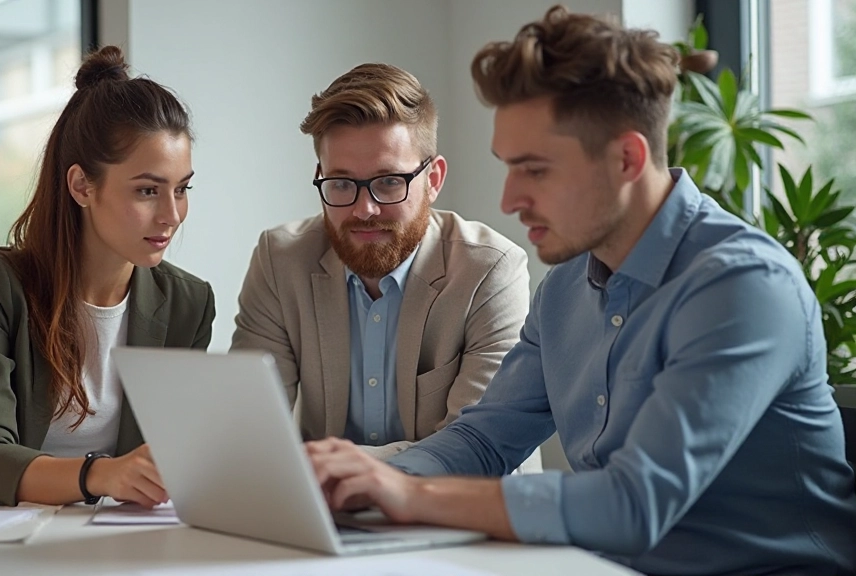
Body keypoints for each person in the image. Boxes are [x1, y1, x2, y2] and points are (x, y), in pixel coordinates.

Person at [306, 6, 856, 574]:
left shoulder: (743, 287)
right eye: (508, 167)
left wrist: (411, 496)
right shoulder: (566, 286)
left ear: (627, 158)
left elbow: (633, 504)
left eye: (536, 169)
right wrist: (367, 481)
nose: (510, 199)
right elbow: (484, 442)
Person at [0, 46, 214, 508]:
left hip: (105, 539)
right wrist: (101, 475)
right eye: (148, 191)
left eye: (182, 189)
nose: (172, 215)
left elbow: (172, 456)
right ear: (81, 186)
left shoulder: (189, 304)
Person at [231, 63, 538, 468]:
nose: (365, 209)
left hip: (460, 519)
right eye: (341, 183)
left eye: (390, 181)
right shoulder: (280, 260)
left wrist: (349, 470)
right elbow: (247, 431)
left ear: (434, 178)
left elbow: (476, 451)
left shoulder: (491, 271)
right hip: (326, 518)